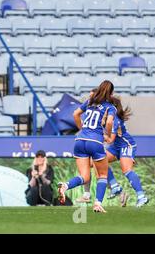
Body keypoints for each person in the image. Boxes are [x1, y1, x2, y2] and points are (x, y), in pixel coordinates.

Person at [57, 80, 117, 213]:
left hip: (80, 140)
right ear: (111, 93)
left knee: (85, 176)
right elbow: (109, 123)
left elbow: (75, 114)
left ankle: (66, 186)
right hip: (95, 142)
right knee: (102, 175)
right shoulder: (110, 107)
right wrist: (106, 134)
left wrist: (82, 128)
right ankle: (97, 204)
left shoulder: (90, 101)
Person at [103, 96, 149, 208]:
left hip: (126, 145)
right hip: (116, 147)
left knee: (127, 170)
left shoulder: (115, 121)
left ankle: (141, 196)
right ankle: (115, 187)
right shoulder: (108, 118)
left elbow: (110, 140)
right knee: (99, 160)